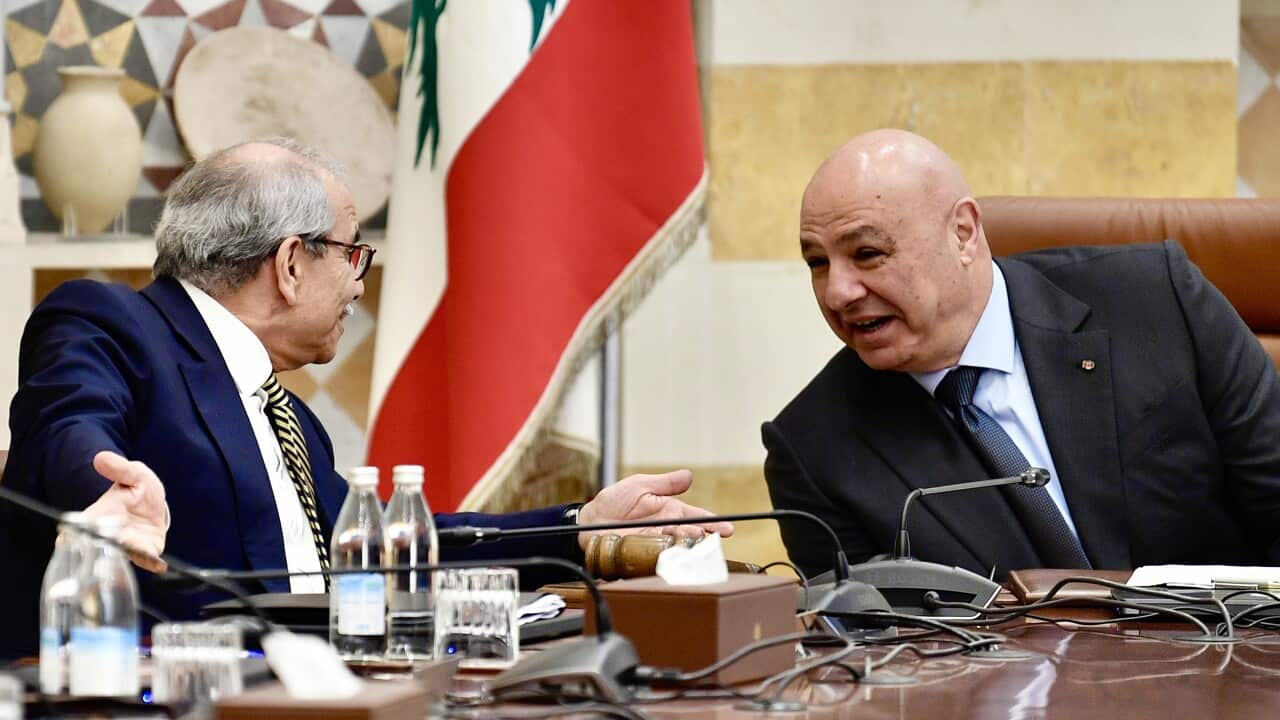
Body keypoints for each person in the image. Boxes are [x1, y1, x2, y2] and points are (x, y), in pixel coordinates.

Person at [0, 138, 731, 659]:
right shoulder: (111, 322)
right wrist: (104, 485)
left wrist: (583, 526)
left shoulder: (293, 422)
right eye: (353, 253)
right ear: (290, 264)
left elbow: (390, 553)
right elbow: (67, 421)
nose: (359, 282)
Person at [764, 129, 1280, 581]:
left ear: (963, 232)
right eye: (817, 262)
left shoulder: (1157, 304)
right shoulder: (814, 449)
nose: (838, 293)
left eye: (867, 254)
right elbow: (868, 655)